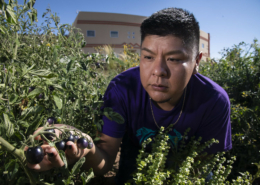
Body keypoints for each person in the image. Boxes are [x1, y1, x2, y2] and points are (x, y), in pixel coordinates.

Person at [27, 7, 232, 184]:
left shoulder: (214, 100)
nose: (158, 70)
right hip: (132, 169)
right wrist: (87, 147)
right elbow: (104, 161)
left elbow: (201, 166)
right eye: (148, 57)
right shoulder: (122, 88)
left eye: (174, 59)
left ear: (197, 61)